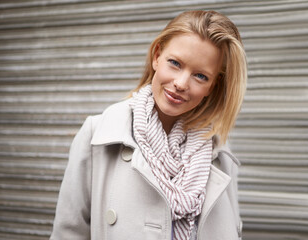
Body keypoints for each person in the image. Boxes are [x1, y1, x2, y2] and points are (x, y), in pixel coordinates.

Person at [50, 10, 247, 240]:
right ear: (156, 56)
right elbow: (68, 233)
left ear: (213, 85)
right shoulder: (99, 135)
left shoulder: (219, 153)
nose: (181, 83)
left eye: (200, 76)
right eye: (175, 63)